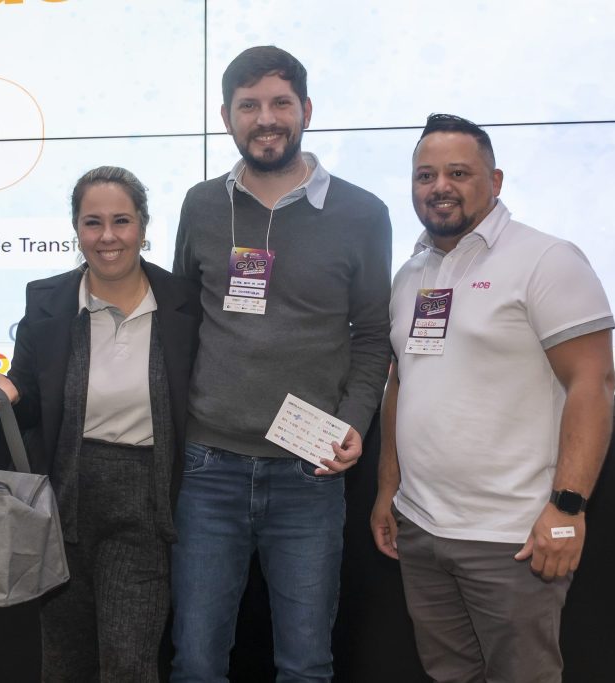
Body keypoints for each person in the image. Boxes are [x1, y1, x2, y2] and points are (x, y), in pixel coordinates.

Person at [170, 46, 392, 682]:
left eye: (280, 103)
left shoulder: (362, 213)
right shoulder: (201, 205)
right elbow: (182, 321)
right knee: (197, 662)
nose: (265, 118)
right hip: (207, 471)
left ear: (306, 111)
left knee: (306, 664)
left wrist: (352, 422)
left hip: (309, 472)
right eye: (249, 105)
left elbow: (373, 336)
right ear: (226, 117)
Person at [370, 113, 615, 683]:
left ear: (495, 180)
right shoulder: (412, 273)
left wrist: (568, 509)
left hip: (512, 537)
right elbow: (401, 382)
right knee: (449, 675)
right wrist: (388, 490)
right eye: (425, 175)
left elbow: (593, 383)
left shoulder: (546, 260)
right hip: (422, 527)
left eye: (458, 173)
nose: (440, 187)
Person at [0, 166, 201, 682]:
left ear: (143, 226)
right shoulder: (48, 300)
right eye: (93, 222)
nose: (107, 236)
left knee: (129, 665)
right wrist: (2, 394)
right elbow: (28, 397)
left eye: (121, 221)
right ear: (76, 228)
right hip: (61, 505)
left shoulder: (183, 303)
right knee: (64, 665)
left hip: (145, 509)